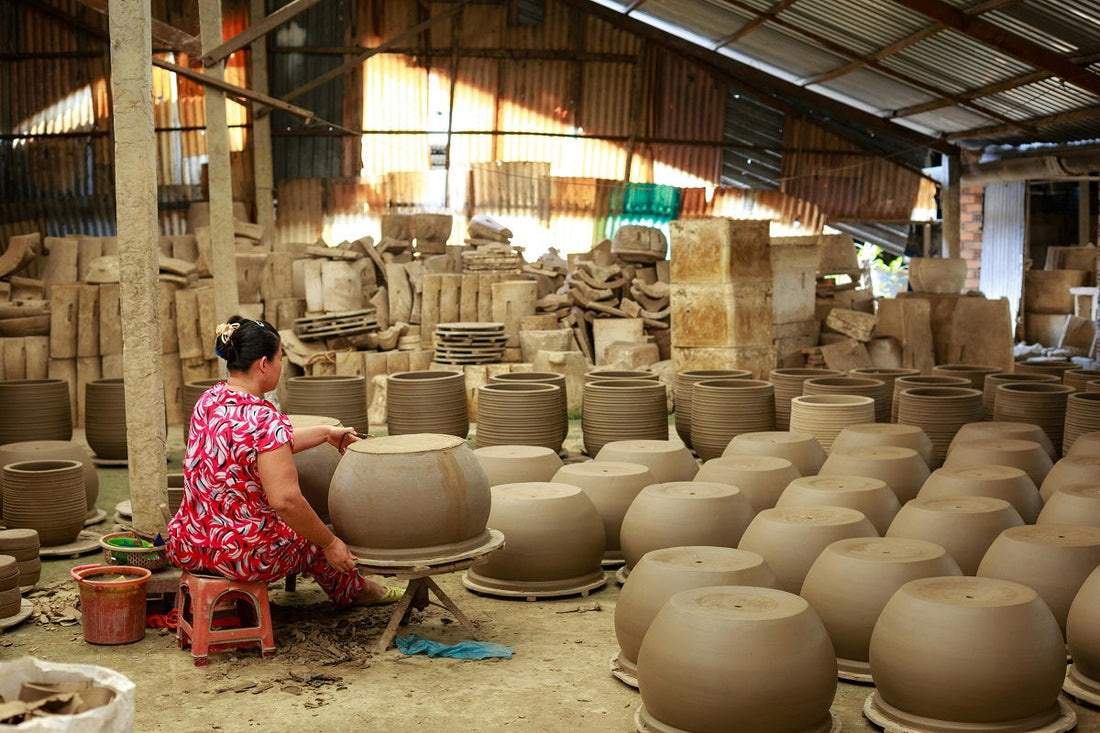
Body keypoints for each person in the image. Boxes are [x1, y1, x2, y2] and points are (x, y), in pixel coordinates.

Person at [167, 315, 402, 607]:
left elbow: (266, 445)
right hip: (239, 555)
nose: (282, 366)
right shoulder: (264, 418)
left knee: (293, 526)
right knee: (315, 538)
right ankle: (360, 591)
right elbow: (286, 500)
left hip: (190, 543)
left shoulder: (209, 400)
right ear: (263, 364)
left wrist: (326, 433)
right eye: (280, 358)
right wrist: (329, 543)